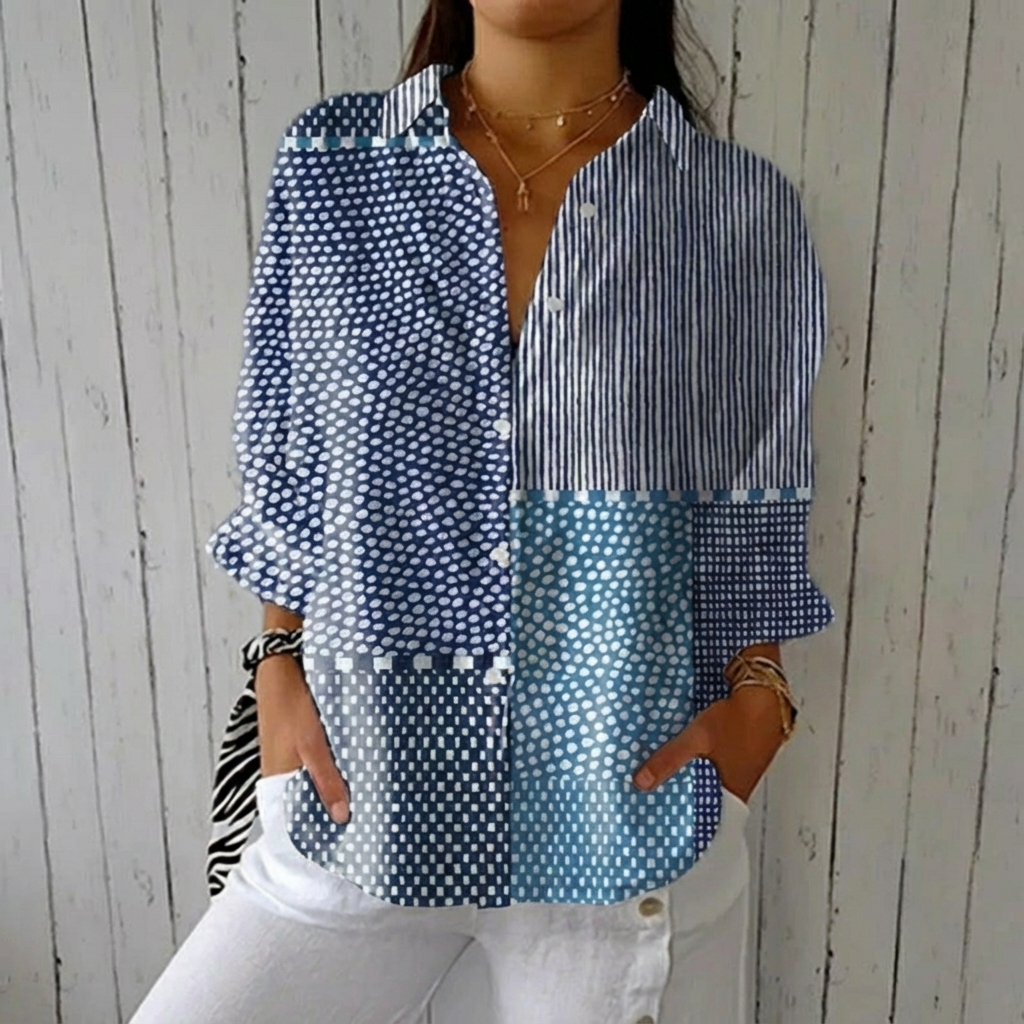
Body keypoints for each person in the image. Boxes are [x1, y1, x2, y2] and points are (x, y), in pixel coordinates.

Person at [130, 0, 835, 1021]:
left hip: (618, 826)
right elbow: (289, 453)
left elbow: (750, 500)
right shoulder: (335, 165)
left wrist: (758, 698)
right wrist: (276, 659)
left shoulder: (734, 209)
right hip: (360, 794)